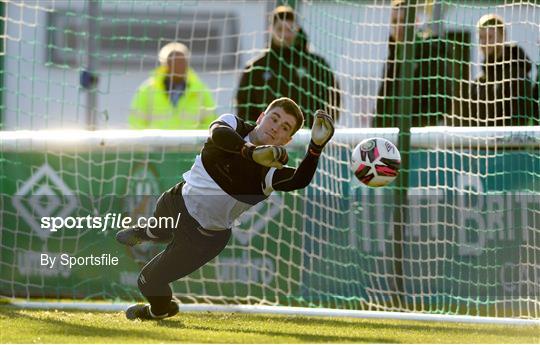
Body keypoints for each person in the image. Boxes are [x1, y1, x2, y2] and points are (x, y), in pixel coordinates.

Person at [116, 97, 335, 320]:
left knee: (148, 281)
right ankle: (148, 232)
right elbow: (217, 132)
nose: (276, 127)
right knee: (161, 224)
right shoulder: (233, 125)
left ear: (286, 140)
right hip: (176, 201)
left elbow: (299, 179)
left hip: (203, 238)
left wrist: (315, 148)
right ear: (261, 117)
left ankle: (158, 311)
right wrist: (249, 151)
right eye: (274, 118)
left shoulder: (269, 173)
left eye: (284, 127)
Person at [235, 5, 340, 128]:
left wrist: (320, 129)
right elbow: (244, 106)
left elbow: (334, 100)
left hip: (308, 139)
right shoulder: (256, 68)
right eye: (280, 29)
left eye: (290, 29)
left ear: (297, 29)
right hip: (268, 140)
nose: (285, 34)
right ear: (270, 30)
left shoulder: (317, 65)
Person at [374, 0, 451, 128]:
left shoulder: (431, 52)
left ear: (415, 21)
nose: (398, 26)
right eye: (394, 21)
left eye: (403, 20)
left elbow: (440, 102)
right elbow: (383, 104)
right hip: (390, 138)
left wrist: (416, 128)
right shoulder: (392, 58)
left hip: (419, 139)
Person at [465, 14, 537, 126]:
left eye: (490, 37)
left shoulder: (516, 75)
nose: (485, 43)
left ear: (503, 36)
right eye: (481, 38)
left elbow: (520, 123)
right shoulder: (478, 82)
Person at [129, 42, 217, 129]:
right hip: (156, 142)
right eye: (174, 62)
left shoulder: (200, 90)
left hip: (190, 142)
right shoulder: (148, 89)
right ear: (165, 64)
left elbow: (210, 121)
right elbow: (136, 123)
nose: (178, 66)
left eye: (182, 62)